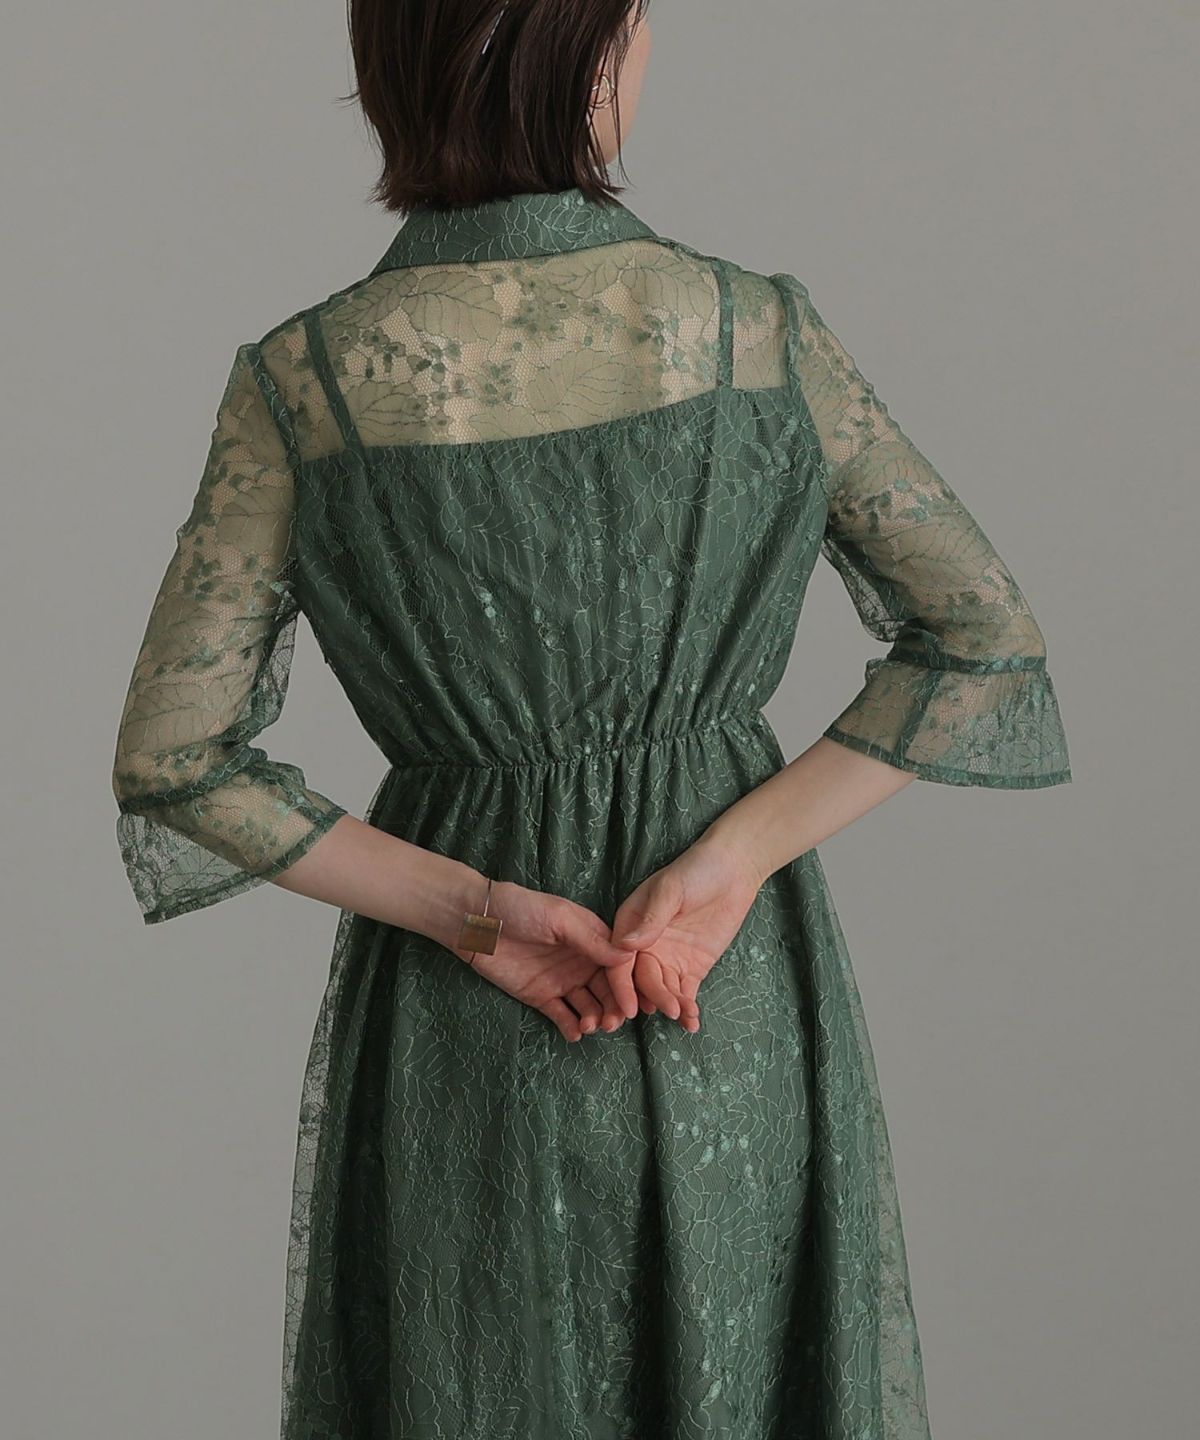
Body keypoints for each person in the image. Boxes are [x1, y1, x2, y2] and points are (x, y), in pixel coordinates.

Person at [110, 3, 1072, 1436]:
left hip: (461, 1025)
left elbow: (174, 763)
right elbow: (981, 639)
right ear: (596, 50)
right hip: (722, 991)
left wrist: (474, 915)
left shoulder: (308, 383)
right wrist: (731, 862)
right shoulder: (754, 332)